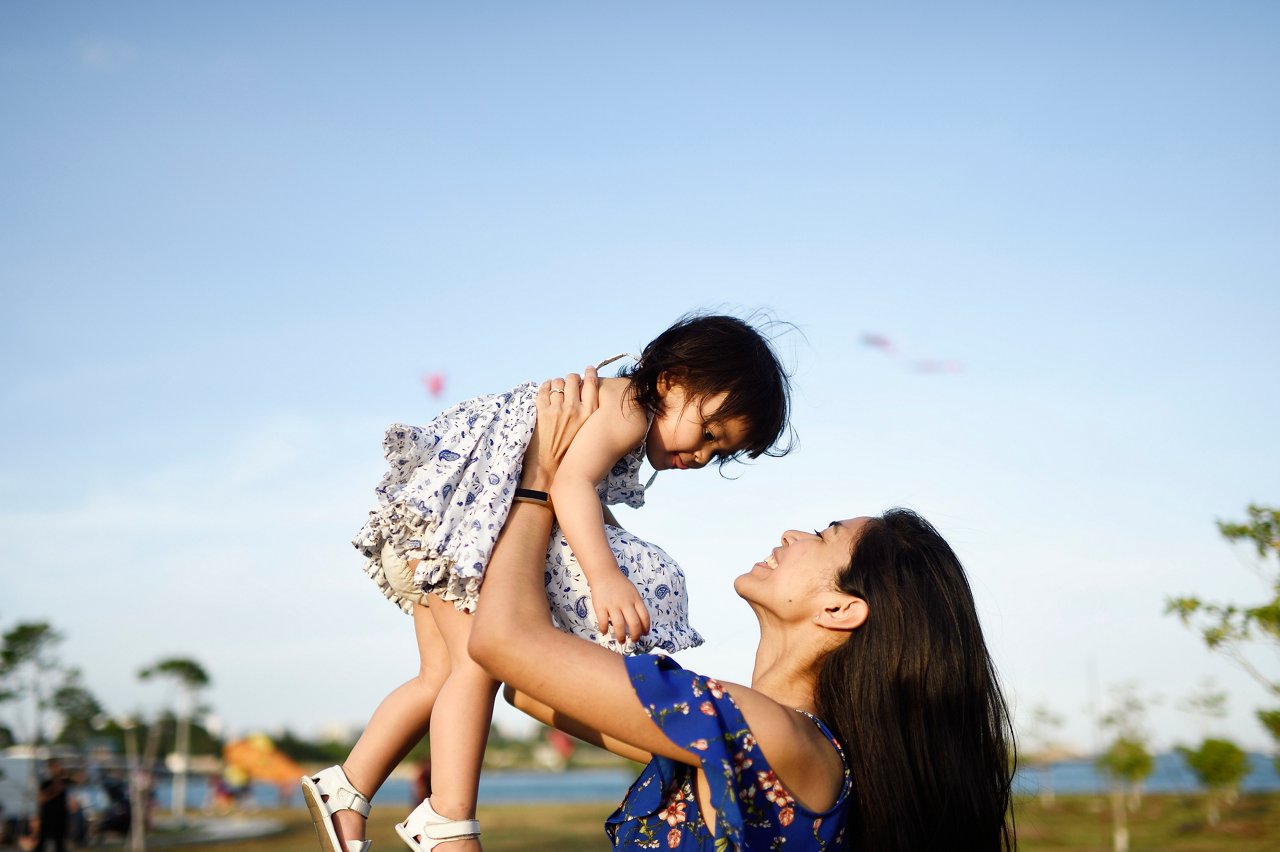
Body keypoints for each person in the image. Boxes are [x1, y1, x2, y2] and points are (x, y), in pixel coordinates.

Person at [303, 315, 793, 852]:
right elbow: (570, 483)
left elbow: (575, 491)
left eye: (717, 453)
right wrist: (604, 575)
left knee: (437, 676)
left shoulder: (614, 408)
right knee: (474, 666)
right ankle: (447, 819)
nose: (700, 457)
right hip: (466, 518)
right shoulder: (628, 407)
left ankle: (346, 789)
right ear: (673, 380)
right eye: (708, 434)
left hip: (437, 520)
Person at [469, 370, 1017, 851]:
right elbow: (531, 687)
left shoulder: (771, 734)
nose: (794, 533)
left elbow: (504, 642)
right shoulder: (738, 735)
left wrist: (541, 474)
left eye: (825, 536)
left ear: (839, 608)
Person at [36, 759, 70, 852]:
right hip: (48, 815)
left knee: (60, 843)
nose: (57, 769)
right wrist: (54, 790)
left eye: (59, 766)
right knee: (42, 841)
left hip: (61, 816)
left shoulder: (64, 781)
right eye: (55, 767)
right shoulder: (46, 783)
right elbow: (41, 799)